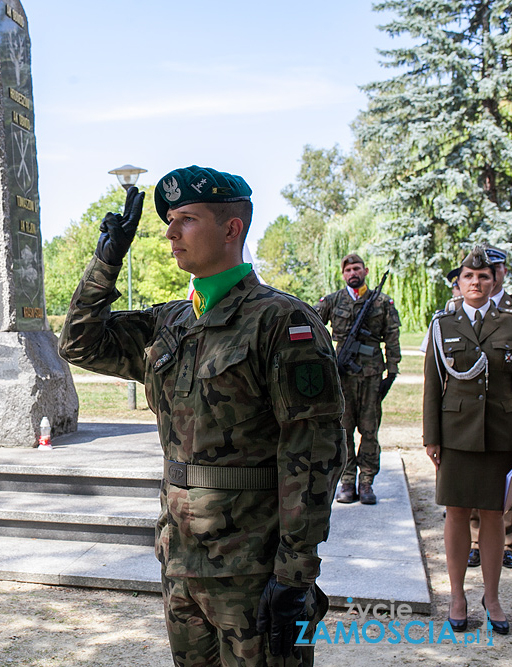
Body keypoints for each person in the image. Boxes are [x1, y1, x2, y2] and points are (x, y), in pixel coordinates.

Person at [58, 166, 345, 666]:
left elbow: (313, 454)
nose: (170, 233)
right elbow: (79, 343)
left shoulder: (283, 322)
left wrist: (296, 574)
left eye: (186, 219)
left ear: (231, 229)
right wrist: (108, 259)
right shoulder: (170, 321)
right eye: (169, 220)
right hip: (182, 558)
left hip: (253, 566)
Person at [424, 246, 512, 635]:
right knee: (457, 512)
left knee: (493, 514)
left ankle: (491, 597)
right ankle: (457, 596)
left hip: (500, 433)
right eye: (468, 277)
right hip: (456, 434)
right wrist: (432, 436)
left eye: (483, 277)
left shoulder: (511, 323)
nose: (475, 282)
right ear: (458, 284)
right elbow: (432, 384)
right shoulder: (442, 324)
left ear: (494, 282)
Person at [315, 253, 401, 505]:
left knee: (370, 431)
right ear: (343, 275)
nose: (353, 273)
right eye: (348, 270)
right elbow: (312, 328)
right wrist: (324, 359)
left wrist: (392, 371)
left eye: (357, 268)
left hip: (372, 376)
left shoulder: (382, 302)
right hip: (342, 377)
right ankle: (347, 480)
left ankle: (366, 483)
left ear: (365, 271)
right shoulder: (332, 301)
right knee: (343, 430)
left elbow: (393, 337)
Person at [468, 246, 512, 570]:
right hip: (469, 413)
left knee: (505, 481)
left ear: (503, 273)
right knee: (470, 478)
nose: (488, 274)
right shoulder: (458, 307)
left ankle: (508, 542)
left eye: (493, 269)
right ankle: (473, 540)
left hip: (504, 411)